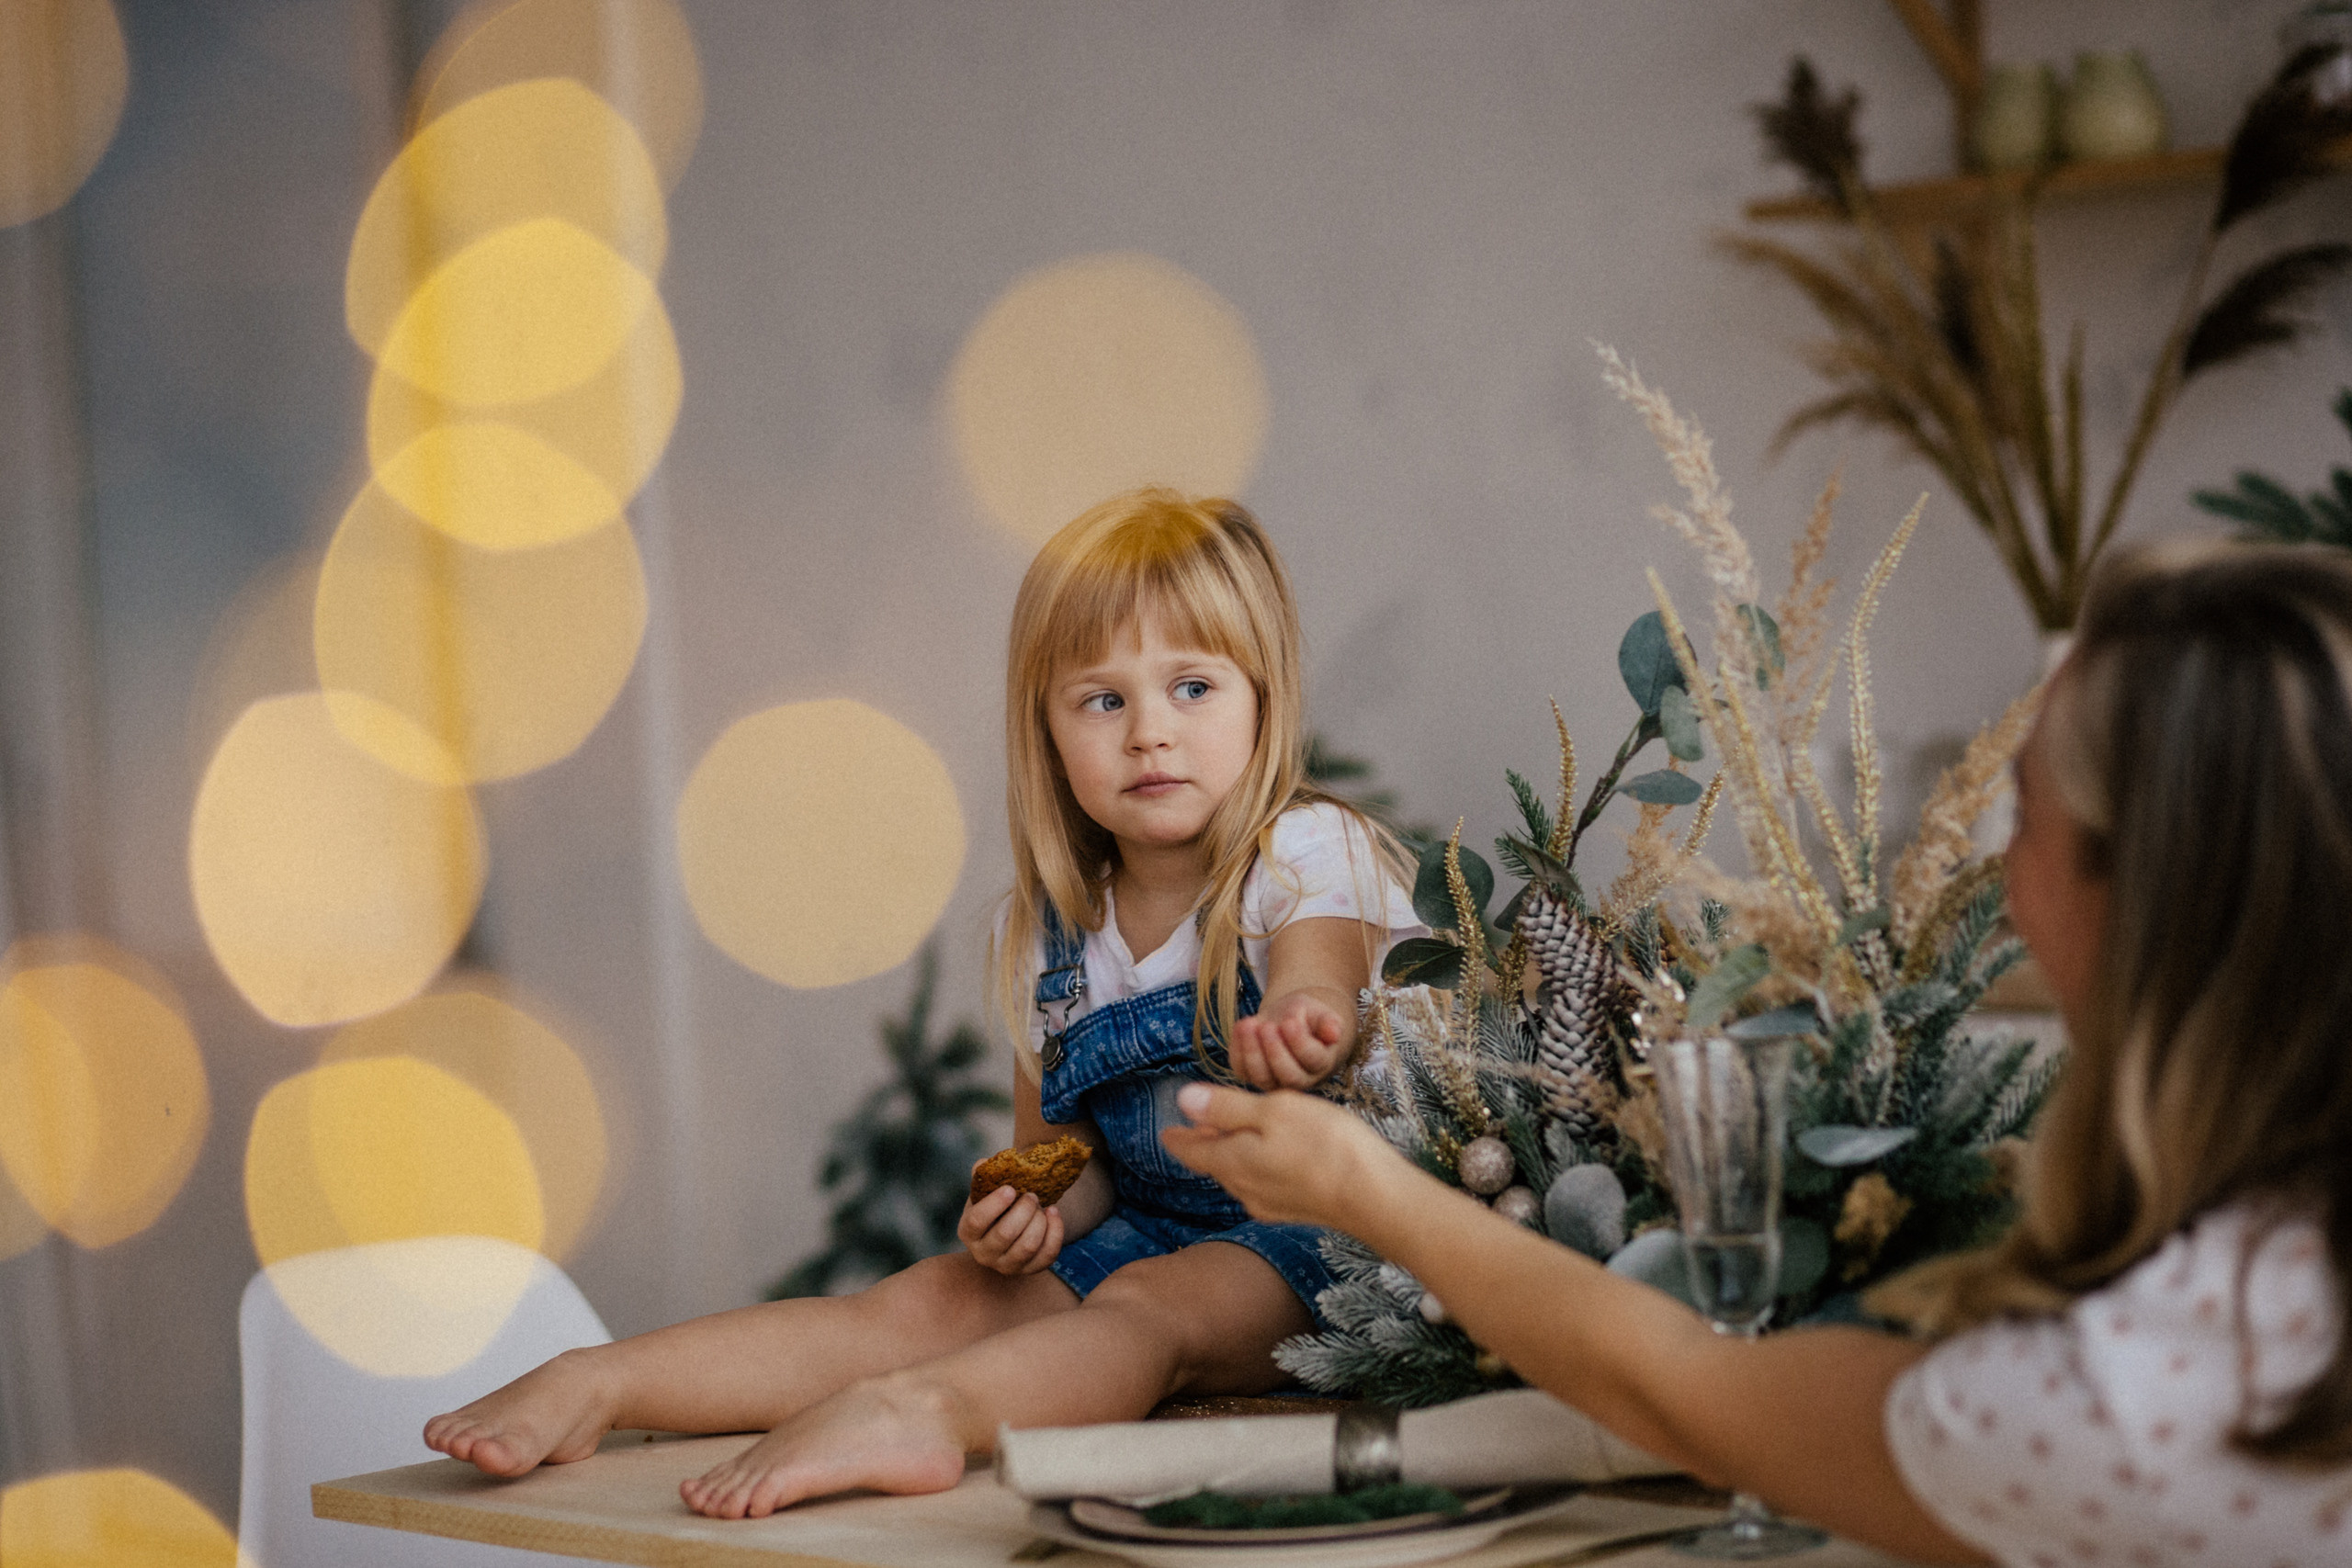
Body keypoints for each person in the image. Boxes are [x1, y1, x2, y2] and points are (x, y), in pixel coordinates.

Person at [1168, 540, 2352, 1566]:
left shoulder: (2130, 1399)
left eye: (2022, 814)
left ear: (2139, 893)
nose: (1992, 868)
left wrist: (1365, 1190)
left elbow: (1688, 1394)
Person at [423, 488, 1420, 1519]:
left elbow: (1321, 980)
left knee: (1144, 1310)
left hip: (1321, 1243)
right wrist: (1030, 1208)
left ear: (1264, 696)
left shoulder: (1302, 856)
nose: (1149, 734)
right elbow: (1065, 1157)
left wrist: (1306, 1029)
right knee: (927, 1299)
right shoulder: (1051, 933)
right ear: (1047, 728)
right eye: (1103, 700)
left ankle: (923, 1415)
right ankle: (605, 1380)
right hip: (1146, 1234)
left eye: (1193, 687)